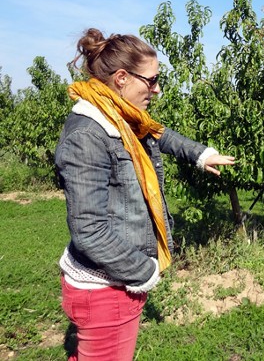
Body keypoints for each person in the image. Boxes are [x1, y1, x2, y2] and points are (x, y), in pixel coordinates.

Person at [55, 28, 235, 360]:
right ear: (122, 78)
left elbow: (159, 135)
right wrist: (143, 271)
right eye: (151, 81)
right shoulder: (88, 135)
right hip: (107, 288)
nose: (157, 89)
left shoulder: (122, 117)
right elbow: (89, 231)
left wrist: (200, 154)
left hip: (114, 282)